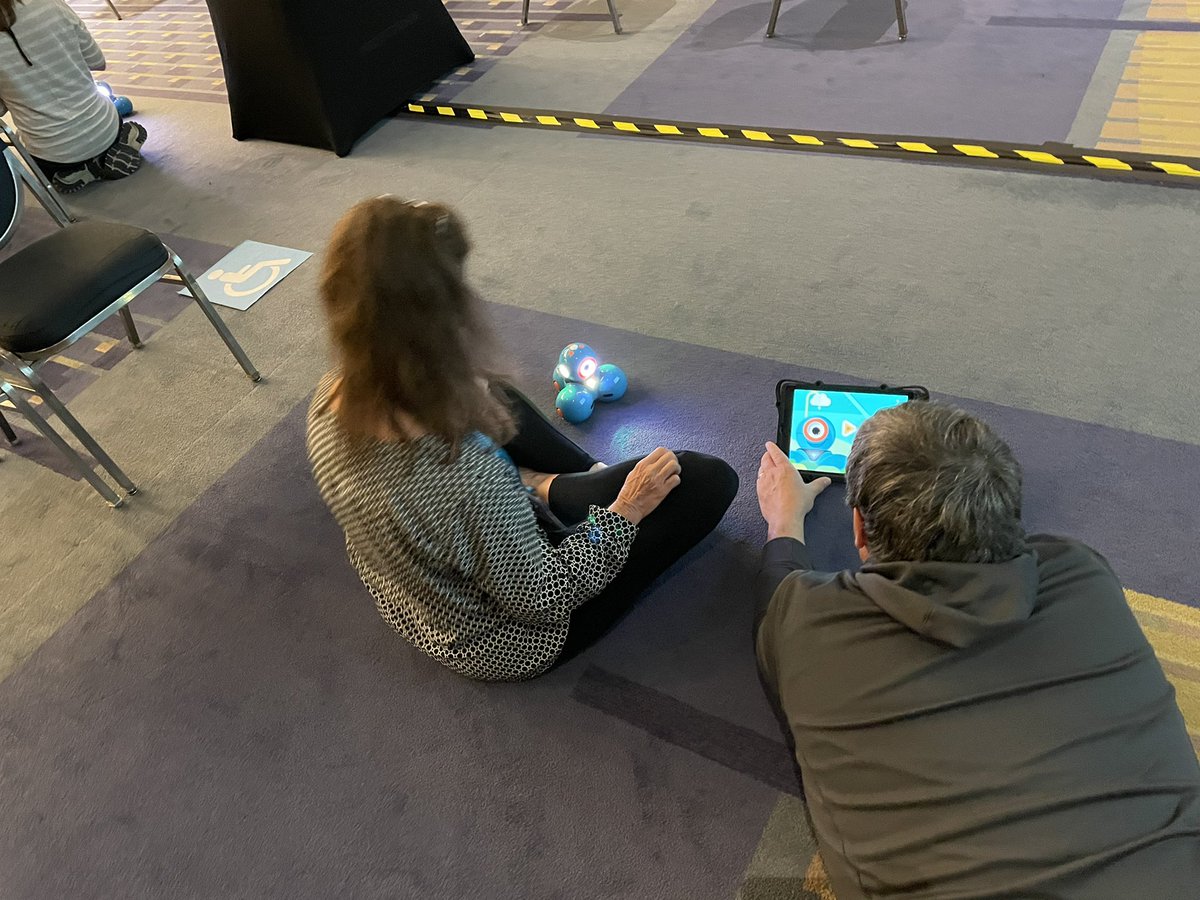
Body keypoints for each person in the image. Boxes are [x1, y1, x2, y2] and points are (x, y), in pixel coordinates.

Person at [754, 401, 1200, 899]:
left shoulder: (804, 618)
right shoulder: (1082, 573)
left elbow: (777, 589)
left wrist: (784, 522)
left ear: (858, 529)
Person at [307, 196, 738, 682]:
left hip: (423, 581)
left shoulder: (327, 401)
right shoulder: (467, 474)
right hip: (509, 638)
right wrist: (627, 512)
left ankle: (562, 483)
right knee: (710, 480)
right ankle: (558, 487)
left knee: (489, 390)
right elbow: (543, 597)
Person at [0, 0, 147, 193]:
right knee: (105, 101)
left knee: (30, 136)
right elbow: (97, 60)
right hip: (105, 128)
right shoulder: (51, 5)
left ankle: (85, 171)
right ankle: (116, 148)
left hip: (50, 156)